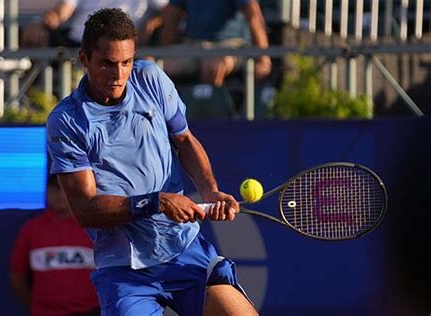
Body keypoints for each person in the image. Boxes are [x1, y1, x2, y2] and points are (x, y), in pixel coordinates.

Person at [46, 7, 258, 316]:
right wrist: (156, 203)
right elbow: (84, 209)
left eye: (126, 62)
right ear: (84, 59)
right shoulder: (67, 120)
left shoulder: (151, 78)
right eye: (106, 63)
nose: (119, 75)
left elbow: (184, 140)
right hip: (124, 269)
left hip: (184, 250)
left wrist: (209, 191)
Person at [9, 175, 100, 316]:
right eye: (54, 190)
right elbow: (17, 274)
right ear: (46, 192)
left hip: (91, 310)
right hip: (45, 312)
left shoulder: (92, 227)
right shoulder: (32, 228)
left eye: (63, 189)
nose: (59, 195)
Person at [159, 0, 272, 87]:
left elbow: (254, 15)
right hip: (194, 45)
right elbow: (172, 14)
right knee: (157, 69)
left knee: (213, 67)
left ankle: (211, 112)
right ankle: (165, 114)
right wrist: (165, 52)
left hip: (231, 44)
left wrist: (263, 59)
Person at [21, 0, 168, 48]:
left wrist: (152, 22)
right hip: (80, 44)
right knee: (34, 36)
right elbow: (61, 12)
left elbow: (168, 11)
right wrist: (38, 23)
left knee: (148, 66)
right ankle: (19, 99)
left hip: (124, 48)